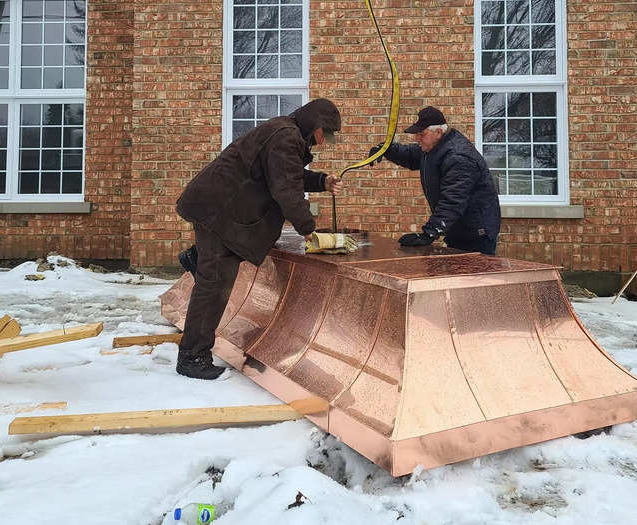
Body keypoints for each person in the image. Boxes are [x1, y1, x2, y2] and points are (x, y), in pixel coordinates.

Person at [174, 98, 342, 379]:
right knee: (214, 288)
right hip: (218, 213)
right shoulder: (286, 137)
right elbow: (285, 188)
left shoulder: (285, 133)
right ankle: (192, 357)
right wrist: (309, 230)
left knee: (214, 276)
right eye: (327, 134)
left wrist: (321, 181)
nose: (326, 142)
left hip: (220, 212)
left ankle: (197, 257)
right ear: (316, 125)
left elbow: (285, 173)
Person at [368, 106, 500, 254]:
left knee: (474, 277)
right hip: (458, 230)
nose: (417, 138)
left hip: (476, 235)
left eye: (421, 134)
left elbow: (452, 201)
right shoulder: (434, 148)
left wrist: (429, 233)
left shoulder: (458, 158)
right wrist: (386, 149)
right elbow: (410, 155)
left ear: (438, 132)